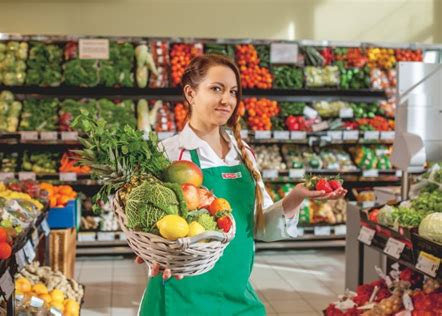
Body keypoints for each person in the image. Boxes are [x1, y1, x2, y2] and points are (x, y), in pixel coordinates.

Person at [137, 54, 347, 315]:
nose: (227, 100)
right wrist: (153, 253)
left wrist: (295, 197)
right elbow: (143, 224)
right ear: (190, 94)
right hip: (180, 297)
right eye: (216, 89)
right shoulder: (167, 154)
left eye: (233, 92)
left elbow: (260, 228)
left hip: (237, 295)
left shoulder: (242, 153)